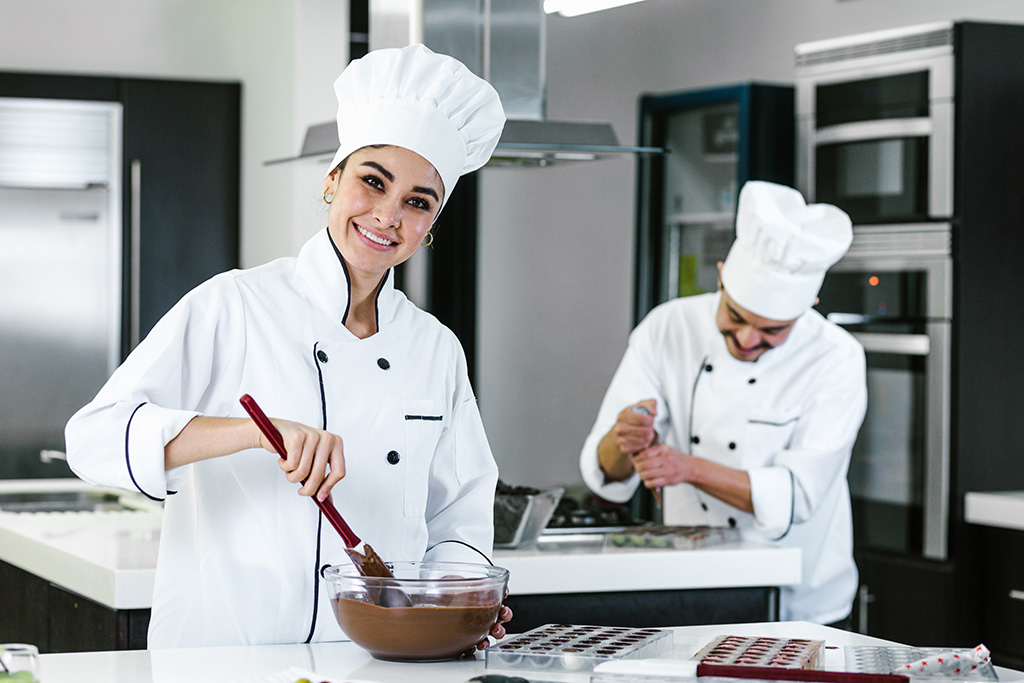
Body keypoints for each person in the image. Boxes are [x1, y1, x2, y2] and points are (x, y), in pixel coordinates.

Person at [65, 44, 512, 649]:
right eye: (372, 182)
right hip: (228, 656)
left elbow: (458, 513)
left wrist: (454, 603)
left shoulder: (435, 348)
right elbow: (92, 439)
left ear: (429, 227)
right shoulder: (236, 305)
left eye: (417, 202)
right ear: (333, 180)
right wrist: (255, 431)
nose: (387, 215)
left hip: (374, 660)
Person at [579, 180, 867, 627]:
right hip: (691, 586)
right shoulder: (668, 327)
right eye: (735, 317)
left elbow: (798, 495)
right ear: (720, 278)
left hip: (802, 601)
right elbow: (606, 474)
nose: (749, 340)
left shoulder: (836, 357)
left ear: (809, 304)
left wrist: (686, 468)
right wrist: (626, 437)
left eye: (772, 331)